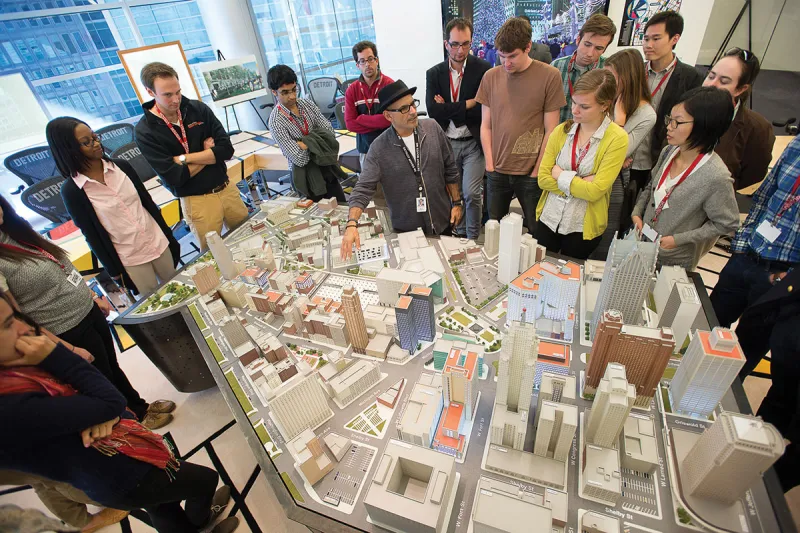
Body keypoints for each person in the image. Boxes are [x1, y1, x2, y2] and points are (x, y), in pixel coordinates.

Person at [0, 292, 238, 533]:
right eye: (8, 324)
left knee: (161, 506)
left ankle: (193, 524)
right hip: (119, 473)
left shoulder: (15, 376)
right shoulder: (12, 406)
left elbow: (103, 406)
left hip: (109, 470)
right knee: (204, 481)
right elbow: (111, 400)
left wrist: (105, 413)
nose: (24, 328)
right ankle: (202, 520)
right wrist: (56, 356)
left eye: (16, 316)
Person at [0, 195, 174, 430]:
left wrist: (91, 296)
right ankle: (132, 422)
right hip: (64, 328)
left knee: (112, 367)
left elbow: (59, 264)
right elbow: (19, 320)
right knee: (101, 380)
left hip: (87, 310)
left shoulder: (16, 230)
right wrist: (66, 349)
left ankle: (140, 406)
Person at [48, 117, 180, 296]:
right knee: (156, 304)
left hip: (158, 240)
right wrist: (114, 271)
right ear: (69, 150)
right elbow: (92, 235)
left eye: (95, 137)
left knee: (180, 287)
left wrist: (169, 236)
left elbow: (147, 203)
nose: (96, 144)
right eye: (86, 142)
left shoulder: (122, 167)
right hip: (130, 258)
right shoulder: (73, 190)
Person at [341, 81, 462, 260]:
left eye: (413, 104)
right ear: (388, 116)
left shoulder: (433, 128)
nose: (413, 112)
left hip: (442, 221)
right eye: (404, 109)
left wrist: (457, 203)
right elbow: (363, 188)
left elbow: (450, 168)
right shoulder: (379, 148)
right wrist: (352, 224)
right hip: (406, 232)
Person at [135, 62, 248, 251]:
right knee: (215, 255)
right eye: (168, 95)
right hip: (197, 201)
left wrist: (184, 159)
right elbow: (175, 177)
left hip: (227, 189)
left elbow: (226, 150)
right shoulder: (145, 131)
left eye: (178, 91)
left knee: (248, 238)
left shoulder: (197, 109)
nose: (176, 99)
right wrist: (207, 154)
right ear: (150, 92)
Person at [631, 87, 739, 270]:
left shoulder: (716, 176)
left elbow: (727, 223)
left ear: (704, 126)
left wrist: (679, 240)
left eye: (677, 122)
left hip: (672, 260)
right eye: (669, 119)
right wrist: (637, 211)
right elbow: (651, 187)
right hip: (642, 245)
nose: (669, 126)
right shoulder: (669, 151)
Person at [476, 17, 566, 233]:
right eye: (501, 56)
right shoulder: (490, 76)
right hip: (497, 169)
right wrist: (489, 164)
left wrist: (536, 171)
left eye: (512, 56)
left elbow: (551, 130)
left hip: (530, 172)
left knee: (536, 231)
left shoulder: (550, 76)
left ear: (528, 47)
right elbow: (485, 125)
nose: (506, 63)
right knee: (493, 229)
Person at [710, 134, 800, 333]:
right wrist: (741, 247)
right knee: (706, 327)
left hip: (781, 274)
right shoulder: (796, 145)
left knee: (748, 346)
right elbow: (764, 196)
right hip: (746, 257)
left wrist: (786, 279)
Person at [535, 69, 628, 259]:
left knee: (570, 278)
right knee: (539, 272)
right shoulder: (562, 130)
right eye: (574, 102)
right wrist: (582, 182)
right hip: (549, 218)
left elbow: (596, 192)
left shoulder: (617, 138)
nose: (574, 110)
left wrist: (561, 175)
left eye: (584, 107)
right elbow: (543, 179)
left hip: (581, 227)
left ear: (605, 105)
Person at [732, 268, 800, 494]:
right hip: (791, 340)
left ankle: (761, 493)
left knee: (792, 458)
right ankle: (744, 467)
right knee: (776, 406)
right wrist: (781, 279)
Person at [426, 17, 492, 240]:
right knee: (455, 194)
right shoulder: (434, 73)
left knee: (472, 193)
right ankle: (460, 234)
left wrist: (449, 107)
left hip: (473, 141)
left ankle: (472, 238)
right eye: (455, 44)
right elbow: (433, 111)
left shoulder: (483, 69)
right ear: (447, 44)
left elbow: (483, 108)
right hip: (447, 143)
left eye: (465, 44)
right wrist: (468, 104)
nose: (460, 49)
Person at [591, 48, 657, 258]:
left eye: (612, 77)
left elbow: (613, 152)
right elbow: (587, 142)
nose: (606, 81)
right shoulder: (603, 100)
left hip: (614, 184)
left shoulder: (646, 114)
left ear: (627, 78)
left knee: (603, 238)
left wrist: (618, 120)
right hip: (585, 174)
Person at [637, 10, 704, 190]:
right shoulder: (636, 72)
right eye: (645, 38)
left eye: (656, 39)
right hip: (628, 156)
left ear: (674, 39)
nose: (648, 45)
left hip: (661, 157)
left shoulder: (691, 78)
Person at [266, 65, 347, 203]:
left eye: (294, 90)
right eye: (285, 92)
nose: (292, 96)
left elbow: (329, 133)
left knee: (341, 207)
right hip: (306, 177)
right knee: (316, 218)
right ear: (274, 92)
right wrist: (318, 140)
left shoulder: (306, 104)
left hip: (326, 166)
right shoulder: (276, 121)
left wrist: (305, 143)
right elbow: (299, 158)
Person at [703, 48, 776, 191]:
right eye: (711, 76)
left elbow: (752, 176)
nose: (712, 85)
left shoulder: (757, 128)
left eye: (724, 81)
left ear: (740, 89)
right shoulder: (684, 108)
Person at [551, 13, 617, 123]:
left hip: (590, 136)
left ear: (605, 49)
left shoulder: (609, 71)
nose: (590, 53)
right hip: (558, 134)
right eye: (587, 44)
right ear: (578, 40)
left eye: (599, 48)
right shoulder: (556, 67)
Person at [344, 41, 394, 167]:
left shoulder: (389, 85)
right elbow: (350, 124)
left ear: (376, 60)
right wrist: (379, 121)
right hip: (366, 150)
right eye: (362, 61)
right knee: (369, 186)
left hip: (390, 148)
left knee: (393, 186)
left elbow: (392, 119)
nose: (367, 64)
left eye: (370, 59)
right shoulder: (352, 90)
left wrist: (362, 119)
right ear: (357, 65)